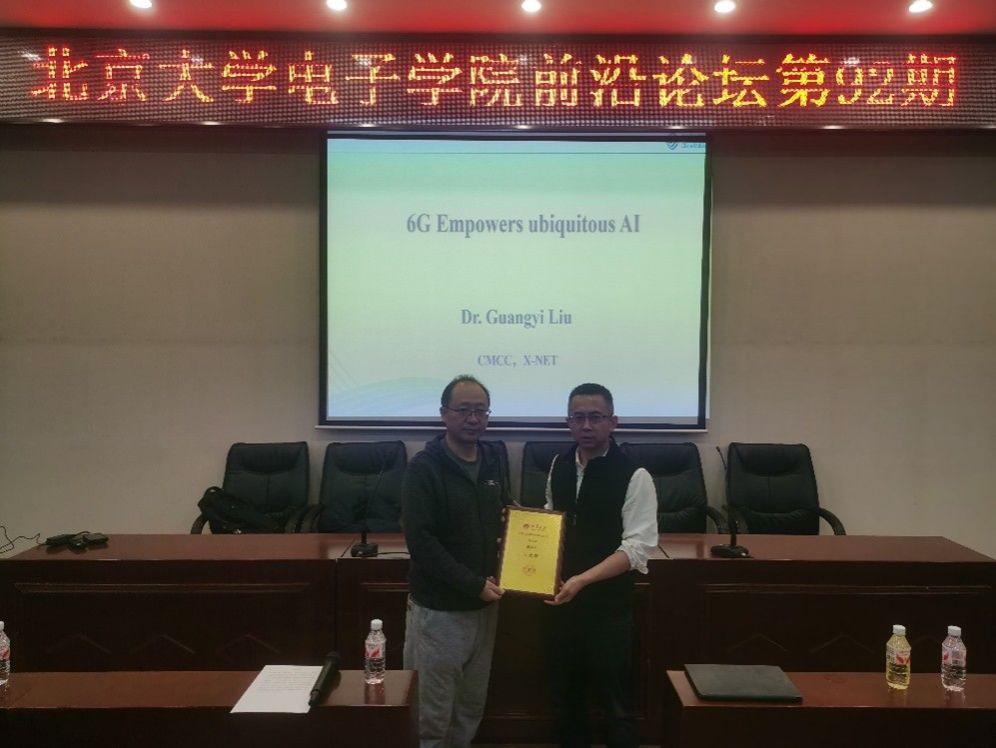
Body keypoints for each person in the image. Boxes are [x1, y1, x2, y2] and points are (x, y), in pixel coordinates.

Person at [543, 383, 658, 748]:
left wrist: (583, 579)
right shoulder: (559, 464)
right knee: (566, 698)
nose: (586, 425)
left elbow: (637, 549)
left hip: (608, 607)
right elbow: (551, 521)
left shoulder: (635, 475)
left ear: (613, 422)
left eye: (595, 417)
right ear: (568, 422)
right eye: (578, 417)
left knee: (615, 701)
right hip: (561, 603)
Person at [402, 375, 510, 748]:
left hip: (486, 604)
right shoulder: (424, 468)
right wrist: (473, 584)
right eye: (463, 409)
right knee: (432, 713)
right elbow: (421, 543)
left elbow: (505, 514)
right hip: (441, 609)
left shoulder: (494, 459)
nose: (473, 418)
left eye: (481, 410)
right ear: (444, 414)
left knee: (470, 705)